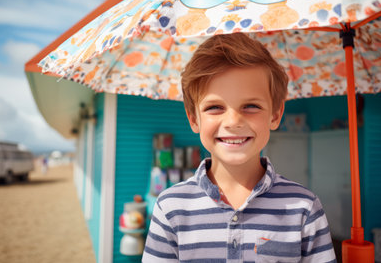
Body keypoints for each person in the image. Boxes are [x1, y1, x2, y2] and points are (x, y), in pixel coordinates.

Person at [142, 33, 336, 262]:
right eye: (215, 107)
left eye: (251, 106)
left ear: (275, 115)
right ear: (194, 119)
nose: (233, 121)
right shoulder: (170, 207)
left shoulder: (304, 208)